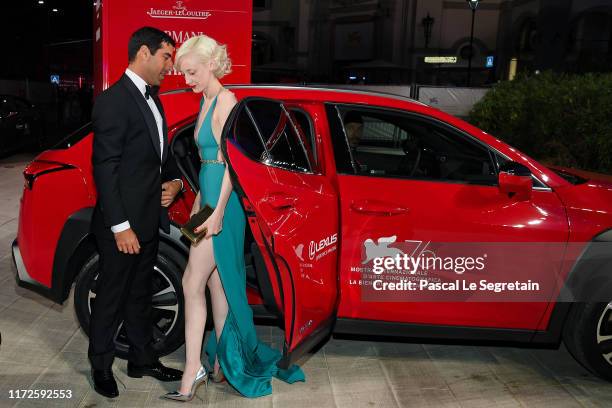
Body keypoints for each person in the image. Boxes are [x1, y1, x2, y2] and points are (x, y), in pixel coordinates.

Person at [163, 34, 305, 402]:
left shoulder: (227, 100)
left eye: (191, 72)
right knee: (215, 286)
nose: (187, 79)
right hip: (207, 202)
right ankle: (221, 365)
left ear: (211, 64)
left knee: (191, 282)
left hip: (222, 207)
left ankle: (191, 369)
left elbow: (231, 165)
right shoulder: (206, 100)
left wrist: (219, 212)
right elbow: (207, 162)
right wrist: (198, 206)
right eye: (183, 74)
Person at [90, 26, 184, 398]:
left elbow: (161, 157)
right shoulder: (114, 101)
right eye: (166, 57)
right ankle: (100, 366)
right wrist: (120, 227)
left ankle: (142, 359)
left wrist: (175, 183)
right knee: (111, 298)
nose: (169, 67)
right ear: (143, 53)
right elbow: (105, 168)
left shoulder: (153, 99)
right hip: (122, 227)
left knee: (141, 295)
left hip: (147, 223)